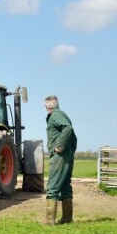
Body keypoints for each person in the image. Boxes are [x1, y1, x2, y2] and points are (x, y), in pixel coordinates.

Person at [44, 95, 77, 225]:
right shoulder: (61, 114)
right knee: (64, 185)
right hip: (66, 154)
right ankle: (67, 218)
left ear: (46, 106)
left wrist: (59, 146)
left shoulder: (56, 115)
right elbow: (72, 136)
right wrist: (71, 150)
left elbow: (68, 128)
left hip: (59, 156)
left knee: (52, 186)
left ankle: (49, 220)